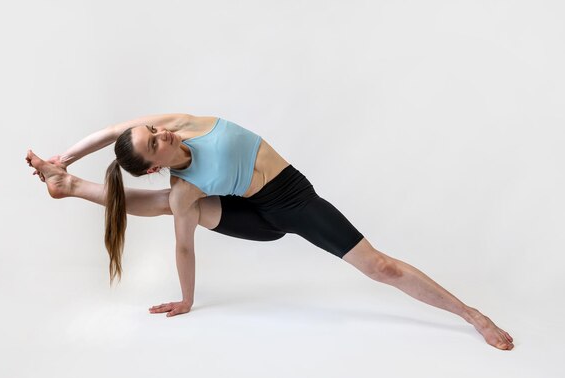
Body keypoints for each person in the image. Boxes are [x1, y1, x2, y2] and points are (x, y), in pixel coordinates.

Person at [25, 113, 514, 350]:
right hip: (253, 220)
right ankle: (68, 187)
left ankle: (470, 314)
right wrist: (187, 299)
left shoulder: (185, 122)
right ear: (155, 165)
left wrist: (65, 154)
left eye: (156, 132)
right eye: (155, 143)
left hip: (292, 200)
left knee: (380, 266)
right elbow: (183, 246)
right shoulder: (181, 187)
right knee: (171, 209)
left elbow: (114, 132)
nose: (162, 135)